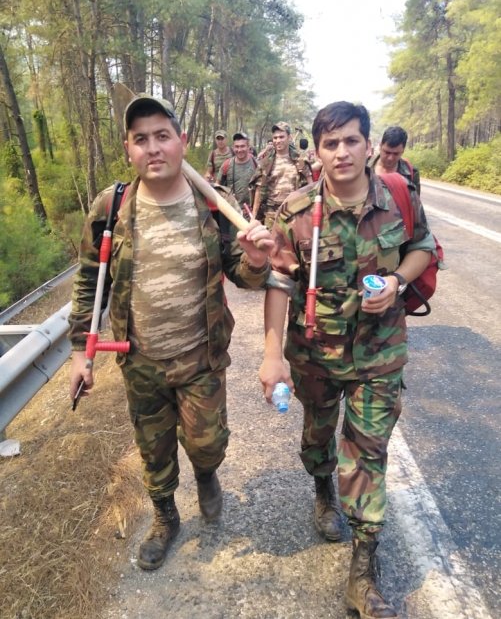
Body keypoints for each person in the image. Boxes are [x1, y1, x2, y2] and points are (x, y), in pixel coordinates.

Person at [68, 94, 274, 572]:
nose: (153, 147)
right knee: (153, 449)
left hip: (201, 356)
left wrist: (256, 259)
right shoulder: (112, 207)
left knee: (208, 443)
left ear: (182, 141)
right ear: (128, 148)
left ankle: (206, 473)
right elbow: (88, 281)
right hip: (140, 358)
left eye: (162, 136)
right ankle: (165, 517)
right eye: (141, 139)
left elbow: (245, 276)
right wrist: (81, 351)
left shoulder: (213, 204)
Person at [259, 101, 435, 618]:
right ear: (317, 151)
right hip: (315, 356)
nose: (342, 152)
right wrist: (271, 355)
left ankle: (363, 572)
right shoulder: (296, 211)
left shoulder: (398, 197)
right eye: (330, 143)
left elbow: (423, 246)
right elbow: (277, 281)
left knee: (367, 454)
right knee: (318, 436)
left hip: (379, 355)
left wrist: (397, 282)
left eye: (351, 140)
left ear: (368, 145)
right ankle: (322, 489)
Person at [250, 121, 312, 230]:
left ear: (289, 137)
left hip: (294, 212)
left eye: (281, 137)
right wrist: (253, 217)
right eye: (275, 138)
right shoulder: (266, 163)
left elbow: (311, 186)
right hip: (271, 214)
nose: (278, 140)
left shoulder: (300, 161)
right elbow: (258, 191)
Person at [370, 125, 421, 195]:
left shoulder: (412, 173)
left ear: (403, 151)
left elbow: (414, 200)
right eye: (387, 152)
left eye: (396, 154)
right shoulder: (364, 165)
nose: (390, 158)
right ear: (380, 146)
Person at [216, 132, 257, 209]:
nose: (239, 150)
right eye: (237, 147)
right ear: (233, 148)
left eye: (242, 146)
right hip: (232, 210)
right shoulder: (226, 165)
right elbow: (217, 187)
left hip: (251, 210)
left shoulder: (256, 164)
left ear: (248, 147)